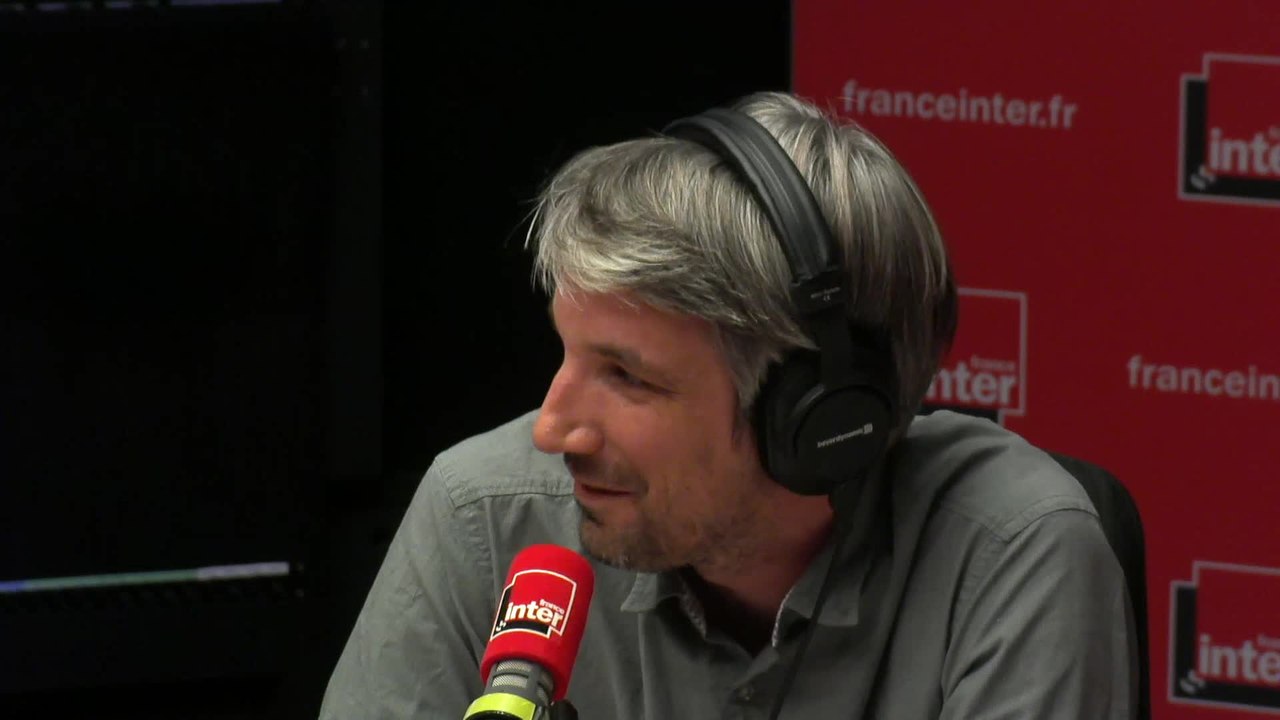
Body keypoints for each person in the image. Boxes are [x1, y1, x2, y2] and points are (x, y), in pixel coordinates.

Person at [318, 91, 1138, 719]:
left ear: (816, 417)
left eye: (627, 376)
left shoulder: (1013, 554)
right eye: (567, 353)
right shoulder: (485, 519)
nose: (553, 428)